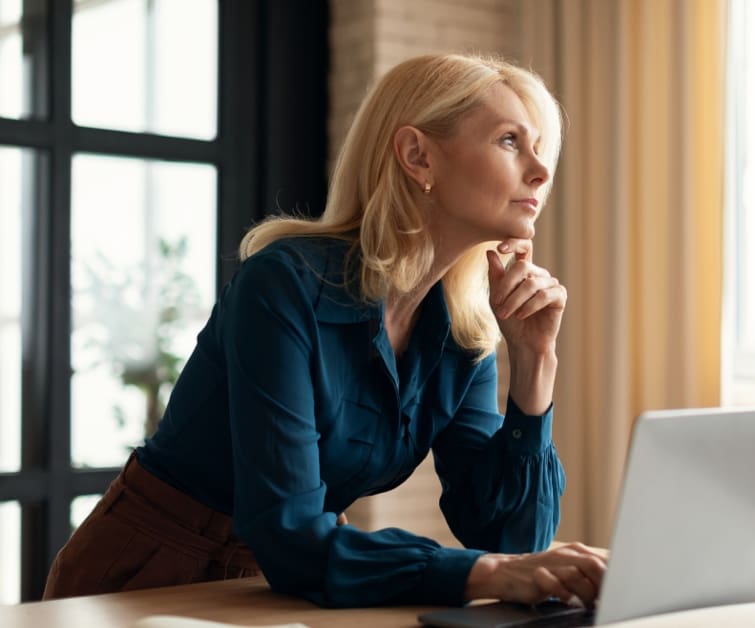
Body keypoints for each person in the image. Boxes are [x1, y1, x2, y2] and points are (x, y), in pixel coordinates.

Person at [42, 53, 607, 607]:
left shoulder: (464, 326)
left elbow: (510, 539)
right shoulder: (284, 285)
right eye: (511, 140)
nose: (541, 169)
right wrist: (486, 574)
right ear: (418, 156)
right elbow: (288, 532)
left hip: (293, 586)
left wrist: (535, 363)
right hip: (149, 578)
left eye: (541, 148)